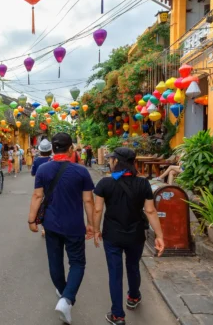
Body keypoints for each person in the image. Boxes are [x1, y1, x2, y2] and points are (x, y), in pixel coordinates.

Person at [92, 147, 165, 325]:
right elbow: (150, 210)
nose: (109, 161)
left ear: (116, 161)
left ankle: (117, 315)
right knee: (133, 266)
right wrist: (159, 235)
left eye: (111, 159)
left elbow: (97, 209)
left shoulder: (105, 184)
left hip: (112, 235)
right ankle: (133, 297)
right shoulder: (143, 184)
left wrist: (95, 230)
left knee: (115, 273)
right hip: (135, 234)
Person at [28, 133, 95, 324]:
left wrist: (31, 220)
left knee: (54, 261)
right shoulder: (81, 172)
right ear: (71, 148)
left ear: (53, 149)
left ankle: (64, 292)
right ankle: (66, 299)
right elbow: (88, 200)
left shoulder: (43, 169)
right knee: (77, 263)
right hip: (74, 225)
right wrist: (91, 224)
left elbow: (36, 196)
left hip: (51, 224)